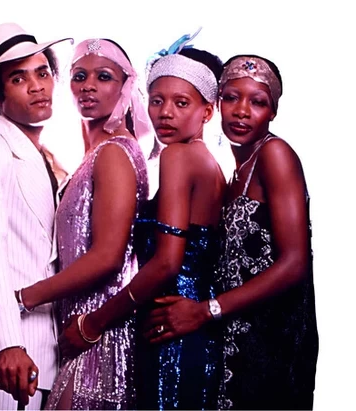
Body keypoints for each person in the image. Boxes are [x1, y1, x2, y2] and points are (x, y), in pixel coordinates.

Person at [56, 32, 227, 410]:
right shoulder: (207, 164)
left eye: (181, 103)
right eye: (157, 100)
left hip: (170, 331)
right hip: (184, 330)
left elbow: (166, 264)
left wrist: (94, 323)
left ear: (207, 111)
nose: (165, 113)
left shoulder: (179, 158)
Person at [144, 54, 319, 410]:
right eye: (231, 97)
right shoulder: (234, 172)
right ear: (217, 103)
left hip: (274, 339)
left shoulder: (275, 154)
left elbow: (295, 263)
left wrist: (205, 310)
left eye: (258, 102)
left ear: (273, 112)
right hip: (234, 339)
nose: (241, 111)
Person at [14, 38, 152, 409]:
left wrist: (24, 298)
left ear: (125, 87)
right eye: (79, 76)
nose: (88, 85)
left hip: (100, 336)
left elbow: (108, 256)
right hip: (77, 332)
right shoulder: (94, 155)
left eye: (103, 76)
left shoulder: (114, 153)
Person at [0, 22, 73, 409]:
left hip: (57, 349)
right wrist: (7, 343)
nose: (37, 86)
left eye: (43, 73)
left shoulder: (49, 159)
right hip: (11, 354)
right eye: (19, 78)